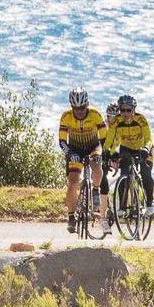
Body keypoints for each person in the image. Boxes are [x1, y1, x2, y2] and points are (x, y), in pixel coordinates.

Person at [58, 87, 106, 234]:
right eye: (76, 108)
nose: (79, 111)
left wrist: (100, 152)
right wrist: (69, 153)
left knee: (97, 167)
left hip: (93, 146)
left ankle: (95, 191)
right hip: (75, 149)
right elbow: (61, 141)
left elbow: (104, 138)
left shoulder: (95, 114)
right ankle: (71, 217)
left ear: (87, 104)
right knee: (72, 182)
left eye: (82, 108)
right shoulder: (66, 116)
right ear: (71, 107)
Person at [106, 93, 154, 218]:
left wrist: (146, 148)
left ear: (133, 110)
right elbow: (109, 141)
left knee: (146, 174)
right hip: (126, 148)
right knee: (124, 176)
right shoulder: (116, 121)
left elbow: (149, 138)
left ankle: (149, 201)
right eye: (122, 110)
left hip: (143, 148)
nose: (125, 113)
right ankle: (122, 206)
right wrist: (109, 153)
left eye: (128, 110)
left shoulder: (141, 119)